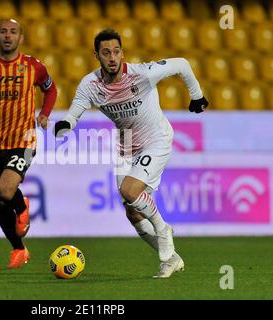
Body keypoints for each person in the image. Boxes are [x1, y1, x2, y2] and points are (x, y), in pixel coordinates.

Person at [54, 29, 208, 278]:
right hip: (126, 147)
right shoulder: (90, 85)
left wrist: (196, 96)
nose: (112, 57)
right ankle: (171, 259)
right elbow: (74, 113)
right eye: (106, 53)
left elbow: (182, 64)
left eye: (116, 52)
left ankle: (163, 229)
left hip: (157, 140)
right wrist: (65, 125)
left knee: (129, 190)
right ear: (97, 56)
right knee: (133, 211)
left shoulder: (142, 74)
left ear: (122, 53)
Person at [0, 19, 57, 269]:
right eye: (3, 31)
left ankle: (22, 204)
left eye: (13, 32)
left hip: (24, 139)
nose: (8, 36)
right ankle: (19, 250)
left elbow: (51, 90)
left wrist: (45, 113)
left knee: (6, 191)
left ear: (21, 38)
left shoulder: (33, 67)